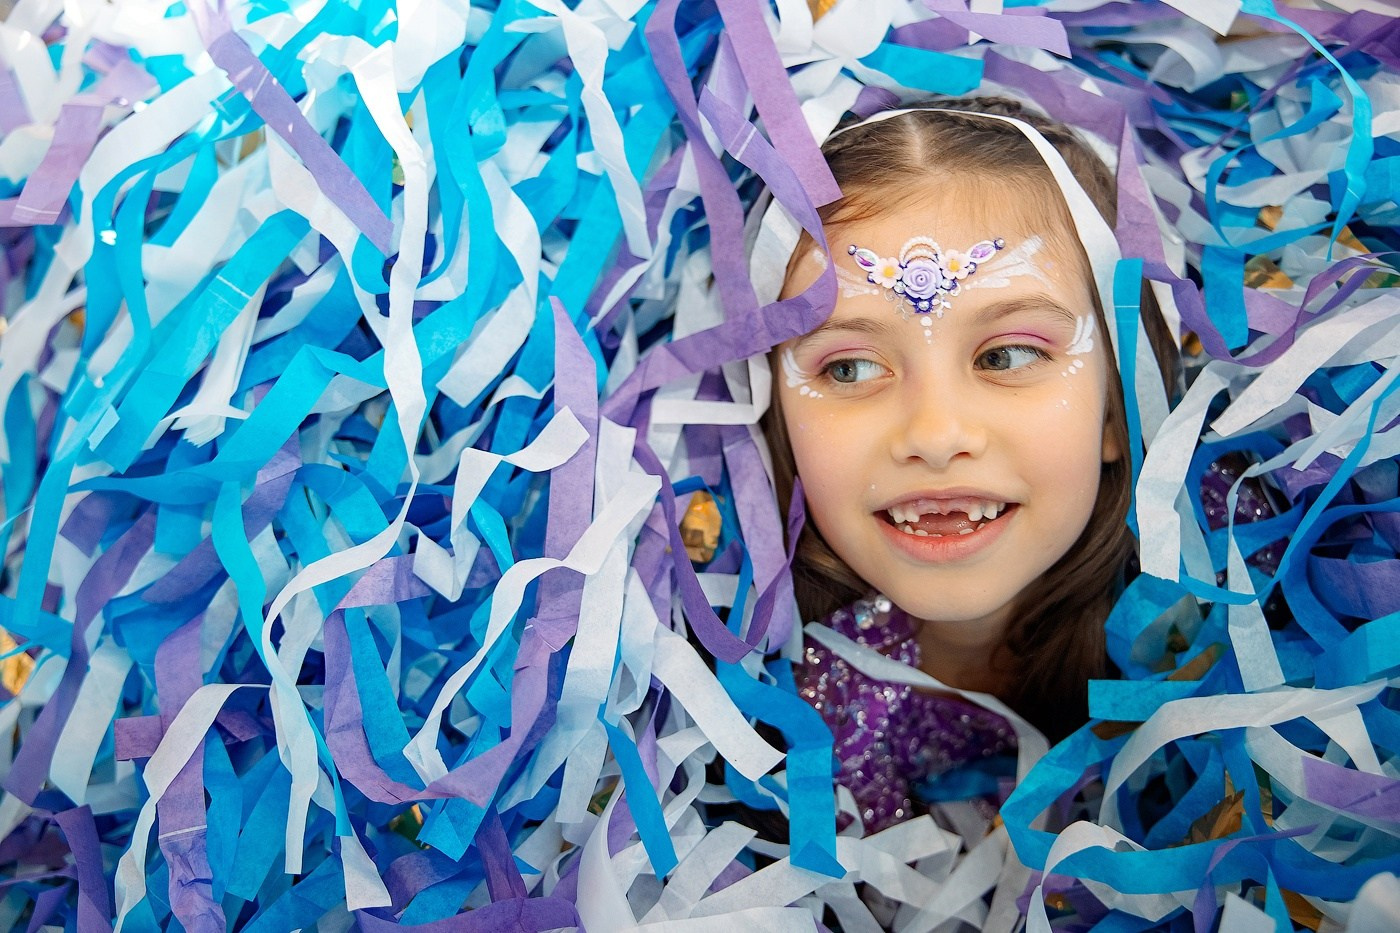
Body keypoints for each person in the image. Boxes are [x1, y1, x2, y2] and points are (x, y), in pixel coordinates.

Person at [759, 97, 1179, 835]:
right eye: (851, 367)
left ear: (1120, 408)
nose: (936, 432)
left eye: (1008, 356)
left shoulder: (1219, 627)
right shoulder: (767, 705)